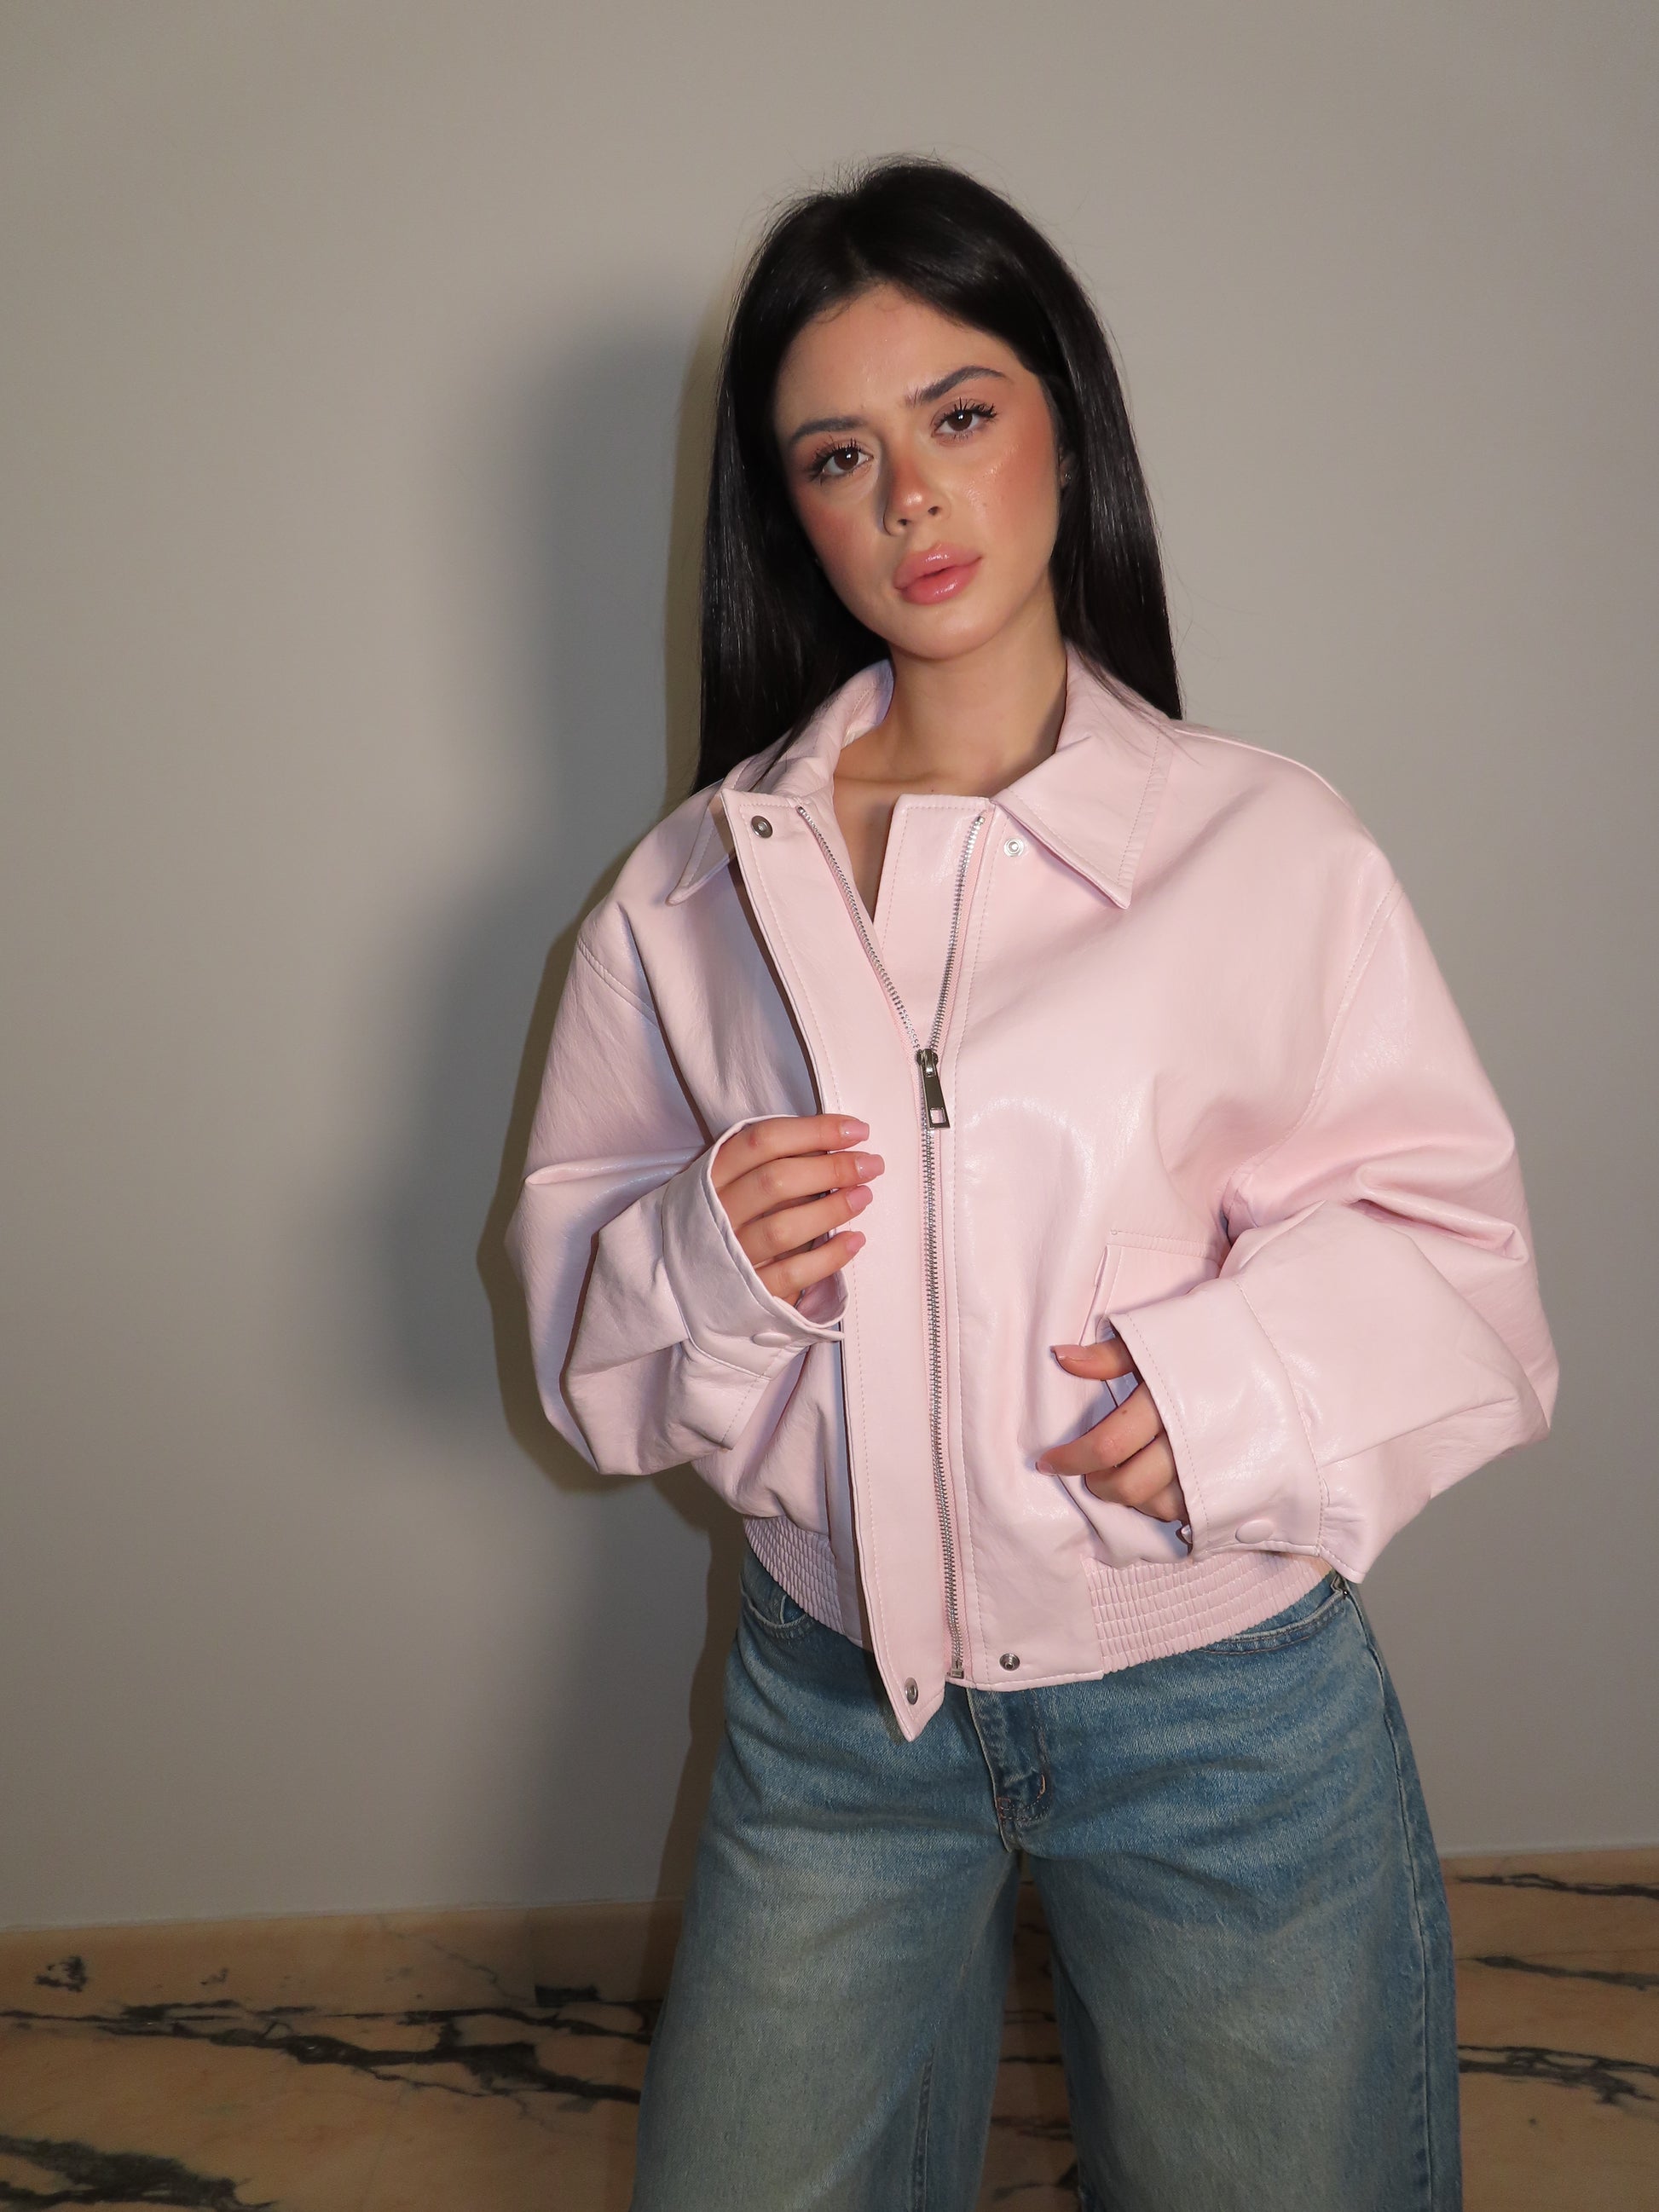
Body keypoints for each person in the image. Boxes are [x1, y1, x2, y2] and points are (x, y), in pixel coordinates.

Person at [506, 157, 1558, 2212]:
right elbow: (583, 1332)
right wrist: (706, 1257)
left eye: (959, 414)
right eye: (839, 454)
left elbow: (1458, 1251)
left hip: (1220, 1712)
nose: (910, 495)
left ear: (1064, 430)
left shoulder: (1266, 848)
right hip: (833, 1712)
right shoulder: (696, 890)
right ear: (790, 514)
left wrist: (1231, 1388)